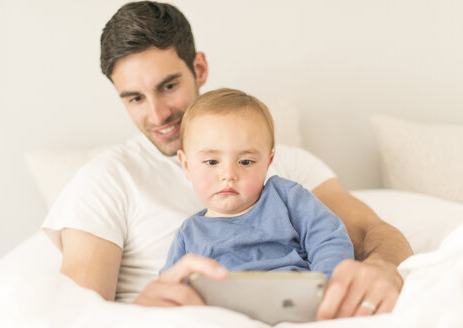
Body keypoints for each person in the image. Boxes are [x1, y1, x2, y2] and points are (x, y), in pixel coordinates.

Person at [42, 1, 413, 320]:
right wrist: (144, 312)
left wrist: (381, 267)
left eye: (168, 86)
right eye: (134, 98)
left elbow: (374, 234)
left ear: (199, 69)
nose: (157, 115)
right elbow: (79, 312)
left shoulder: (289, 171)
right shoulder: (107, 179)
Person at [160, 88, 354, 279]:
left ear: (267, 163)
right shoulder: (189, 233)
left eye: (245, 162)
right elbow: (169, 285)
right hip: (222, 307)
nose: (228, 175)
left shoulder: (286, 197)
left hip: (291, 299)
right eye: (211, 162)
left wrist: (327, 286)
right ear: (186, 166)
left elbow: (329, 239)